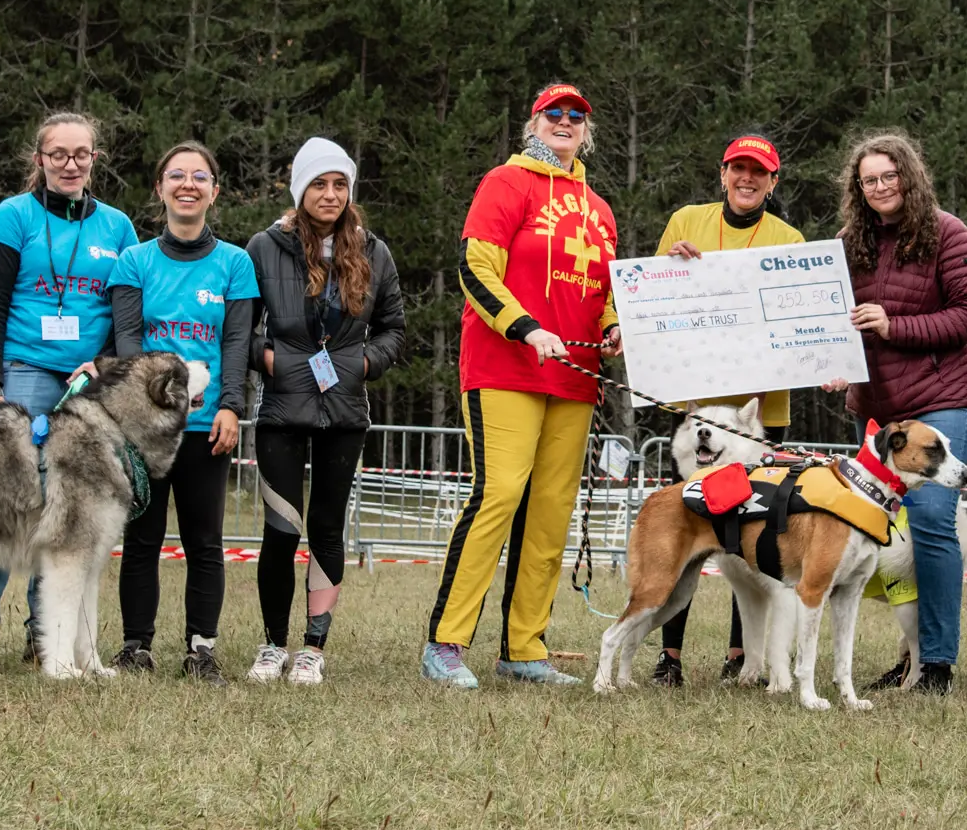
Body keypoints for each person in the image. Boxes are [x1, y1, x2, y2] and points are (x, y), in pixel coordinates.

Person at [422, 82, 621, 689]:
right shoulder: (504, 184)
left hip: (575, 379)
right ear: (533, 123)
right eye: (554, 113)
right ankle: (446, 643)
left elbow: (604, 291)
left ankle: (524, 648)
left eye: (576, 116)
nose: (565, 122)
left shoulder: (601, 208)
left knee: (551, 513)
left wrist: (613, 329)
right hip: (505, 366)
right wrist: (525, 328)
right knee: (499, 494)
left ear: (587, 132)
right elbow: (475, 268)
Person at [0, 112, 139, 671]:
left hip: (89, 385)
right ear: (39, 159)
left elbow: (126, 312)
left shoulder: (118, 228)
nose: (70, 163)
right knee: (9, 501)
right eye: (58, 153)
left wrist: (103, 363)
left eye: (81, 154)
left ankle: (47, 636)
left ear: (95, 160)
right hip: (24, 371)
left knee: (71, 511)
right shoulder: (13, 217)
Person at [823, 131, 967, 695]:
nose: (879, 188)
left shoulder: (948, 232)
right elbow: (832, 320)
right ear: (857, 188)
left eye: (888, 176)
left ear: (909, 177)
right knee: (883, 532)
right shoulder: (847, 242)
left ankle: (937, 665)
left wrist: (895, 326)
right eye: (868, 180)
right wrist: (834, 361)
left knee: (933, 521)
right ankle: (909, 655)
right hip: (876, 412)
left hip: (941, 400)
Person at [242, 138, 405, 686]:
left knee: (327, 530)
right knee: (281, 530)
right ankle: (272, 645)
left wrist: (361, 363)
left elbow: (393, 330)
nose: (330, 194)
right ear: (300, 190)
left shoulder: (374, 251)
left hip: (345, 413)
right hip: (281, 410)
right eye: (319, 184)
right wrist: (269, 358)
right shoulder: (265, 247)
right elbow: (240, 326)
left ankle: (313, 647)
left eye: (340, 185)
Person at [648, 132, 804, 688]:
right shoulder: (686, 219)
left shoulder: (788, 237)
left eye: (758, 172)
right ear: (722, 174)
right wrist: (669, 265)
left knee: (755, 537)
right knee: (685, 529)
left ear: (772, 181)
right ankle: (670, 656)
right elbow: (653, 291)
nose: (747, 179)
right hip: (700, 408)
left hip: (761, 412)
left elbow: (799, 315)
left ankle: (744, 656)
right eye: (738, 169)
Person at [106, 142, 257, 683]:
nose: (187, 184)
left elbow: (236, 344)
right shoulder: (134, 262)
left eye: (199, 177)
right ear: (160, 188)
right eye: (176, 175)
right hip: (147, 428)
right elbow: (127, 341)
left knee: (204, 542)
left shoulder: (236, 264)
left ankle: (201, 650)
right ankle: (135, 647)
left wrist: (232, 408)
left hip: (205, 426)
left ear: (214, 191)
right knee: (142, 540)